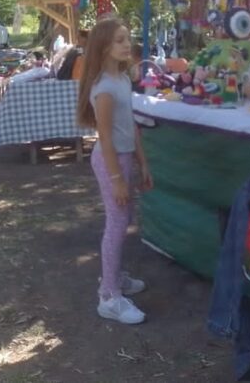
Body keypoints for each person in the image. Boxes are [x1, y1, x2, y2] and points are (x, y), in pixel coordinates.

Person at [76, 17, 154, 325]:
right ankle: (108, 296)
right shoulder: (105, 88)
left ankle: (115, 278)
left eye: (127, 39)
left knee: (124, 219)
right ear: (104, 46)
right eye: (120, 40)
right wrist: (116, 178)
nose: (127, 45)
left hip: (124, 159)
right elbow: (105, 137)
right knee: (117, 223)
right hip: (111, 161)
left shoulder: (122, 79)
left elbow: (130, 126)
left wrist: (143, 161)